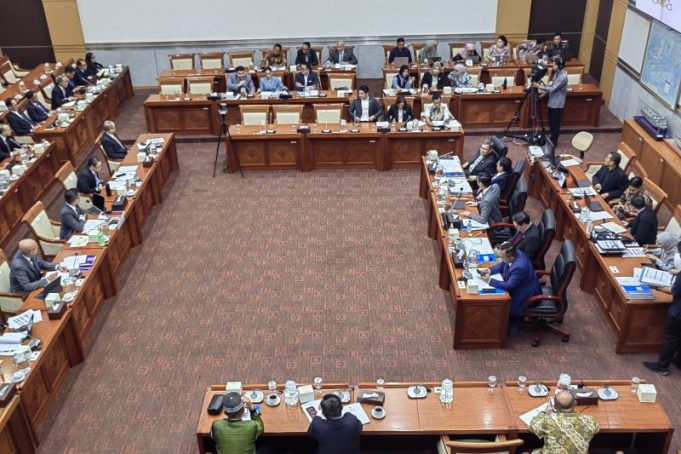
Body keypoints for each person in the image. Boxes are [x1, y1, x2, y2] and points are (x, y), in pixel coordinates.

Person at [481, 242, 542, 335]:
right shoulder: (514, 253)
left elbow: (509, 286)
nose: (501, 259)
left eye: (503, 257)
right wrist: (489, 270)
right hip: (521, 285)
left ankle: (506, 326)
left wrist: (490, 280)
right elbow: (502, 265)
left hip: (526, 294)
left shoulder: (519, 267)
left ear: (511, 258)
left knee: (499, 305)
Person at [644, 241, 681, 375]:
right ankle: (678, 362)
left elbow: (674, 291)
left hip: (678, 312)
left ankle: (662, 366)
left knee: (671, 337)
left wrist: (657, 287)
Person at [529, 390, 599, 453]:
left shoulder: (549, 422)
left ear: (555, 406)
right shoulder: (590, 420)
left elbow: (533, 427)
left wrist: (544, 412)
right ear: (575, 403)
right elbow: (596, 430)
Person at [533, 57, 568, 146]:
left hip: (557, 103)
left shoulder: (563, 76)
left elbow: (552, 89)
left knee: (555, 123)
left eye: (555, 64)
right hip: (552, 101)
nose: (553, 65)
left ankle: (554, 141)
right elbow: (551, 86)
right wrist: (542, 96)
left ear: (559, 66)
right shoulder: (556, 74)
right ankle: (552, 137)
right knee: (551, 122)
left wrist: (539, 86)